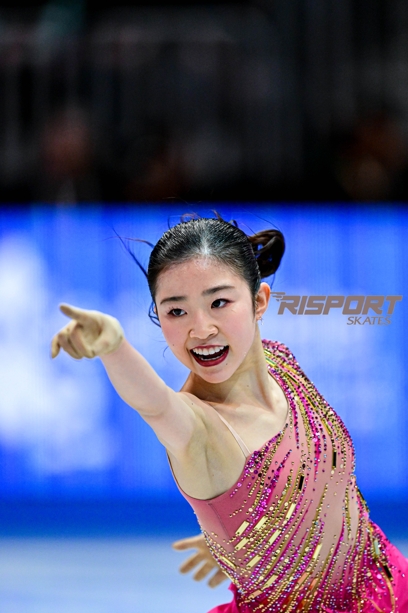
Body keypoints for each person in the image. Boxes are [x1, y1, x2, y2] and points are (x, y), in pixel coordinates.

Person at [50, 214, 408, 612]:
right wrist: (114, 347)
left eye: (219, 302)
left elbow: (324, 488)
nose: (201, 329)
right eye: (176, 311)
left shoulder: (280, 361)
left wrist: (251, 535)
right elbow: (155, 404)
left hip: (391, 582)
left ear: (259, 301)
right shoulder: (198, 429)